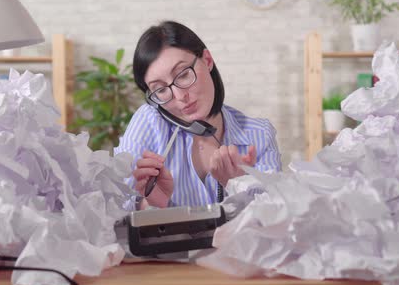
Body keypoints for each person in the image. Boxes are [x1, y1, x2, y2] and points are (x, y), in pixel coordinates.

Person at [114, 21, 281, 211]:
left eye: (183, 74)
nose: (179, 96)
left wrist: (239, 187)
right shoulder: (149, 121)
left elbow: (275, 221)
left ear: (207, 60)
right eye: (160, 89)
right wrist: (151, 204)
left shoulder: (260, 135)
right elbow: (114, 209)